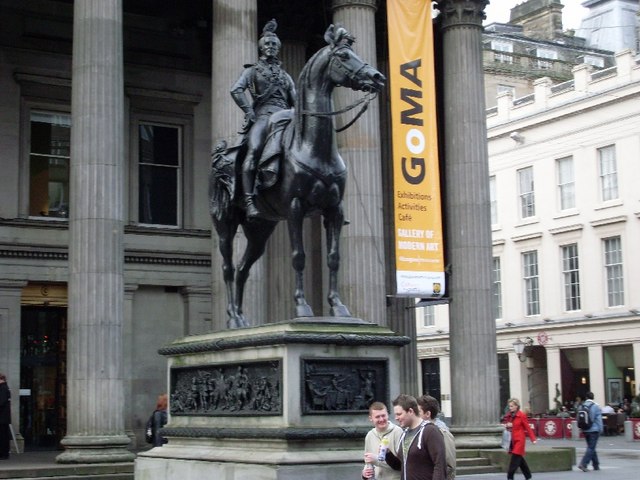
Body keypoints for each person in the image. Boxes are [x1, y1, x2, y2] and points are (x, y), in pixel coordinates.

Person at [230, 18, 296, 220]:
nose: (271, 47)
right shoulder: (252, 71)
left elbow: (295, 99)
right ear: (261, 48)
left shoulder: (285, 76)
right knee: (255, 150)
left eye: (274, 45)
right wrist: (249, 111)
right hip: (263, 117)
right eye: (267, 44)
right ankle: (249, 200)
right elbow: (236, 90)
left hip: (285, 117)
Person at [385, 394, 446, 480]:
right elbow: (402, 466)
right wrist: (387, 453)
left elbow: (440, 465)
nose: (396, 418)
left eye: (399, 414)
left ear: (410, 411)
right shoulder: (404, 434)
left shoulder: (430, 431)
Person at [417, 395, 456, 480]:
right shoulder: (419, 431)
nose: (415, 415)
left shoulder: (442, 433)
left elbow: (449, 465)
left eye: (418, 412)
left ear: (427, 414)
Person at [362, 401, 402, 480]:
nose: (381, 419)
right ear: (371, 418)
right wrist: (365, 473)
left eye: (383, 415)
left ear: (387, 415)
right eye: (377, 417)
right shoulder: (370, 435)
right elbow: (368, 462)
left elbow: (402, 464)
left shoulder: (398, 432)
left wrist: (377, 460)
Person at [502, 398, 537, 480]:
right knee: (520, 459)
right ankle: (528, 476)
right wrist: (507, 425)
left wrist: (533, 439)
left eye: (512, 406)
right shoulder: (509, 415)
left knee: (515, 457)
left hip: (520, 440)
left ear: (516, 406)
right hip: (512, 440)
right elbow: (506, 424)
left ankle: (510, 476)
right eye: (509, 406)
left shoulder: (521, 415)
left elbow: (528, 428)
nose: (510, 408)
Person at [578, 391, 603, 472]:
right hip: (594, 429)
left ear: (586, 398)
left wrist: (581, 428)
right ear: (593, 398)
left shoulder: (582, 406)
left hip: (585, 429)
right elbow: (599, 419)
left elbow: (578, 418)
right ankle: (583, 464)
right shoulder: (596, 406)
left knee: (591, 447)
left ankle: (596, 465)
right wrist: (601, 429)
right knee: (591, 447)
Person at [0, 373, 10, 460]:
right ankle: (4, 453)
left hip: (2, 417)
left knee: (3, 436)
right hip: (4, 417)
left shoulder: (3, 388)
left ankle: (3, 453)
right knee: (3, 435)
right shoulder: (4, 387)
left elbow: (1, 402)